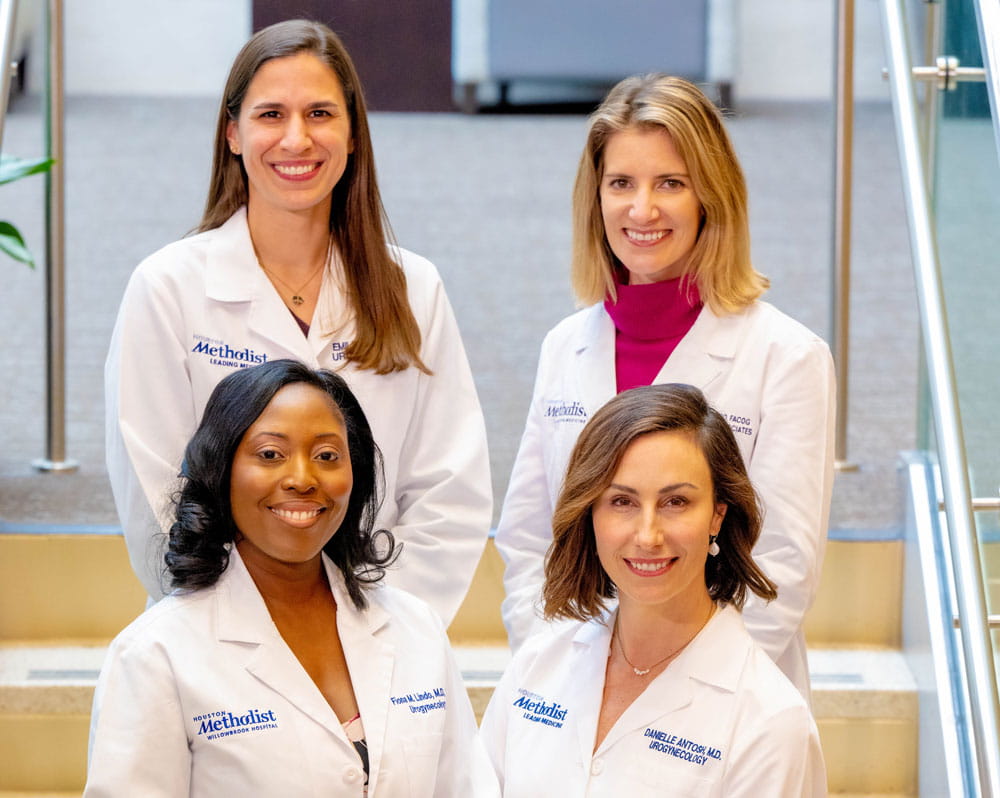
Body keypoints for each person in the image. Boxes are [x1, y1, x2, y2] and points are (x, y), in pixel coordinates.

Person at [104, 19, 491, 621]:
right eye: (270, 115)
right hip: (215, 631)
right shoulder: (167, 288)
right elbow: (152, 496)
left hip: (379, 626)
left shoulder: (413, 288)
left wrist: (376, 630)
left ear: (353, 133)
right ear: (232, 133)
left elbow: (450, 494)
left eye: (319, 114)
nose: (296, 139)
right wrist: (250, 626)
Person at [495, 74, 835, 698]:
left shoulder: (787, 357)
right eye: (621, 183)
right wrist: (556, 663)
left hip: (723, 694)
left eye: (670, 183)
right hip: (576, 684)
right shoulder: (565, 345)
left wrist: (674, 694)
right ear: (595, 197)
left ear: (711, 195)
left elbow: (781, 566)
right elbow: (529, 538)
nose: (642, 210)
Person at [86, 360, 499, 797]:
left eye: (327, 456)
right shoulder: (154, 655)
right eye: (270, 455)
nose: (302, 479)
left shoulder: (416, 627)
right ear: (221, 470)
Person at [481, 384, 827, 797]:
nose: (648, 536)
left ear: (717, 515)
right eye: (622, 502)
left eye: (675, 502)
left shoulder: (770, 722)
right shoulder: (537, 665)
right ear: (589, 512)